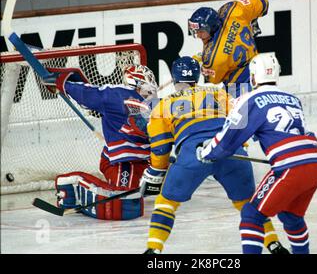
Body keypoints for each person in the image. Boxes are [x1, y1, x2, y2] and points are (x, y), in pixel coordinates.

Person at [140, 56, 287, 254]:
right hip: (230, 151)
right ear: (198, 76)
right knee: (248, 203)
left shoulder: (162, 105)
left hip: (193, 154)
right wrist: (238, 148)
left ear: (174, 78)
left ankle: (154, 250)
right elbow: (239, 127)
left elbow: (160, 148)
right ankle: (274, 244)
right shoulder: (220, 94)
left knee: (166, 203)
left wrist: (158, 170)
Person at [197, 54, 317, 254]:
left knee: (251, 215)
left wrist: (206, 151)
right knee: (291, 216)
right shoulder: (293, 99)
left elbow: (227, 141)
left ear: (253, 77)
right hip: (315, 163)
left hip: (289, 166)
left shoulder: (250, 99)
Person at [44, 63, 158, 220]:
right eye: (147, 83)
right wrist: (64, 84)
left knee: (131, 198)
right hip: (124, 163)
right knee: (123, 203)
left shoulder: (151, 104)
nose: (151, 89)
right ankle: (73, 183)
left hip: (139, 162)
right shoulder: (119, 94)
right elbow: (91, 94)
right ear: (137, 83)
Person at [188, 0, 269, 98]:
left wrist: (200, 65)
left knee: (228, 112)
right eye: (196, 31)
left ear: (212, 27)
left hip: (240, 87)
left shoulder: (213, 58)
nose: (198, 35)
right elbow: (264, 3)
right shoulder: (233, 8)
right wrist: (253, 20)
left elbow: (214, 79)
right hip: (262, 76)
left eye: (201, 31)